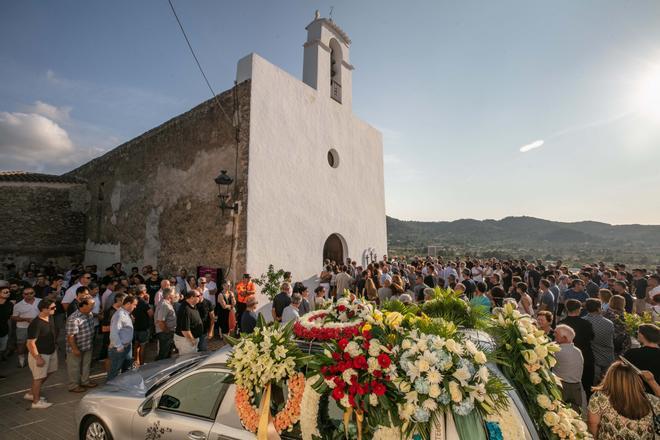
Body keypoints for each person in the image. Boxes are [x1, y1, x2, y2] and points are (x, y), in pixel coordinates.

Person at [587, 361, 659, 439]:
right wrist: (651, 381)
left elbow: (592, 424)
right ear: (635, 380)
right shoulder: (649, 399)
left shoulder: (599, 397)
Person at [25, 299, 57, 408]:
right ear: (44, 309)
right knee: (38, 378)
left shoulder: (50, 317)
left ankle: (31, 393)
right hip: (41, 354)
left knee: (50, 371)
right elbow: (30, 343)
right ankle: (36, 402)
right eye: (52, 308)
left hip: (51, 351)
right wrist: (37, 358)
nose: (55, 309)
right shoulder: (36, 324)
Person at [560, 299, 595, 398]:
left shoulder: (562, 324)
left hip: (567, 359)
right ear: (578, 309)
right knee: (588, 386)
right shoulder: (586, 323)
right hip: (585, 357)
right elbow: (592, 337)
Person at [65, 295, 97, 392]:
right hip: (76, 347)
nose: (93, 307)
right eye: (91, 305)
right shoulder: (74, 319)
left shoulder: (89, 314)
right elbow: (70, 336)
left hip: (87, 345)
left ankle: (85, 381)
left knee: (86, 365)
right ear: (83, 306)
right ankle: (73, 386)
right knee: (74, 367)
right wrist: (75, 349)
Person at [583, 298, 615, 383]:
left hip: (592, 358)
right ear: (598, 309)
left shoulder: (583, 321)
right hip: (607, 356)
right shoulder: (609, 323)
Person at [553, 324, 583, 412]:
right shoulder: (578, 351)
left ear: (564, 338)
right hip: (576, 388)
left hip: (562, 388)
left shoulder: (557, 350)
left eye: (556, 333)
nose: (554, 335)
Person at [108, 295, 138, 381]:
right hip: (119, 348)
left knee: (127, 369)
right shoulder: (119, 315)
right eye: (134, 305)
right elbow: (114, 332)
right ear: (128, 303)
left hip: (127, 346)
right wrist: (119, 346)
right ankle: (110, 391)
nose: (135, 307)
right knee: (115, 371)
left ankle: (123, 387)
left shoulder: (126, 314)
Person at [624, 324, 660, 394]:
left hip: (635, 396)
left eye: (638, 332)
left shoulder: (631, 354)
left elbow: (622, 376)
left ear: (642, 335)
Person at [12, 287, 41, 368]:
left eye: (31, 293)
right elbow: (14, 317)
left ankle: (36, 359)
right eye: (26, 294)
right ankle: (21, 359)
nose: (29, 295)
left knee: (37, 344)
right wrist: (25, 319)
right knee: (21, 344)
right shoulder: (18, 305)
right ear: (23, 295)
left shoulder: (40, 301)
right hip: (23, 328)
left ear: (34, 293)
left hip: (37, 327)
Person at [174, 290, 203, 354]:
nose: (200, 297)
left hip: (190, 340)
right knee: (187, 360)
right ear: (192, 297)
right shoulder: (185, 309)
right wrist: (192, 340)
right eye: (198, 296)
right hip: (186, 341)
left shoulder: (192, 306)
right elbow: (185, 330)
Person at [131, 285, 152, 366]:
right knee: (143, 346)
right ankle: (142, 364)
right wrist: (147, 302)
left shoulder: (133, 299)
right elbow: (150, 313)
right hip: (143, 327)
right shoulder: (143, 302)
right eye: (145, 290)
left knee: (136, 345)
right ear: (143, 292)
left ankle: (136, 362)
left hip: (135, 326)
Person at [154, 288, 176, 360]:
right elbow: (160, 321)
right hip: (165, 334)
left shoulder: (166, 303)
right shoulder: (164, 305)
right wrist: (167, 331)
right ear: (169, 295)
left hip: (166, 333)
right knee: (164, 355)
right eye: (174, 294)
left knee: (167, 354)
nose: (175, 295)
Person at [0, 282, 14, 362]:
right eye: (6, 292)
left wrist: (10, 331)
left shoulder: (10, 304)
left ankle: (2, 356)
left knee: (3, 348)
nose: (8, 293)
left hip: (4, 330)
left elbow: (10, 318)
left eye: (9, 292)